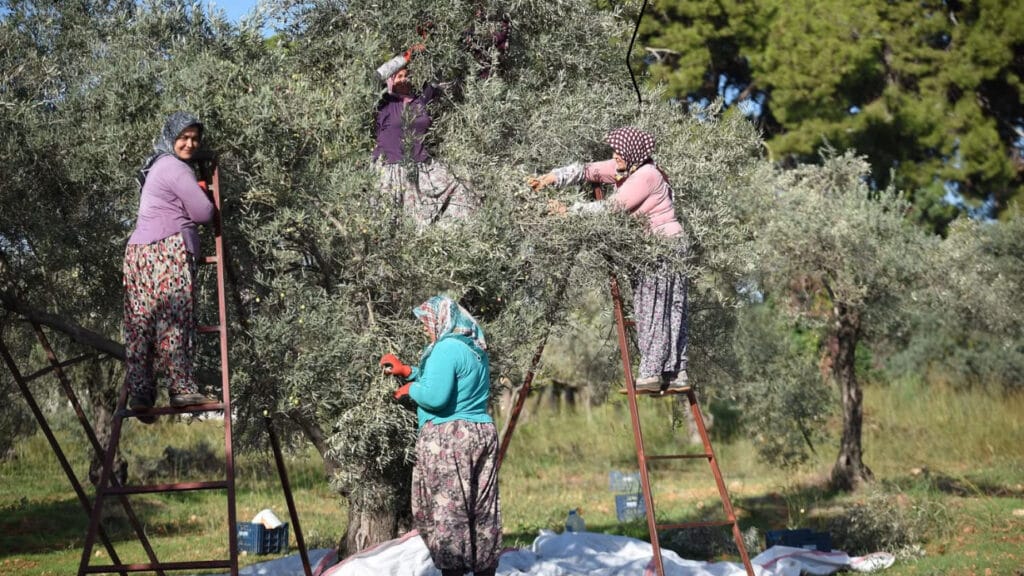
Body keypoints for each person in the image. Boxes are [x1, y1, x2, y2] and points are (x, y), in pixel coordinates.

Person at [528, 127, 689, 393]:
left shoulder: (645, 175)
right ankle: (674, 373)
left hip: (661, 248)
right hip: (665, 247)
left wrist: (567, 212)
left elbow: (610, 209)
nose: (615, 155)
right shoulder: (629, 168)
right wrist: (553, 177)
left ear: (632, 153)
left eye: (619, 151)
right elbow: (588, 170)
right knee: (668, 309)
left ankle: (652, 374)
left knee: (654, 309)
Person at [379, 296, 502, 576]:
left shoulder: (445, 348)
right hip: (480, 432)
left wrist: (409, 389)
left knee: (448, 511)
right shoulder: (474, 348)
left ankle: (453, 570)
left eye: (426, 321)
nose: (425, 328)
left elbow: (435, 396)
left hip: (450, 438)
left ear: (442, 319)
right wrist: (408, 371)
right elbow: (446, 379)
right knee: (481, 510)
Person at [124, 112, 215, 421]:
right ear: (171, 136)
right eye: (184, 137)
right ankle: (181, 388)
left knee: (141, 324)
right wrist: (206, 196)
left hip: (138, 253)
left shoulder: (156, 166)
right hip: (167, 249)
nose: (189, 143)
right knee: (174, 319)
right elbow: (203, 212)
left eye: (194, 139)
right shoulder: (175, 167)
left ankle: (141, 393)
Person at [373, 46, 476, 227]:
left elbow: (441, 71)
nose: (404, 79)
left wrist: (433, 44)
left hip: (422, 170)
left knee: (461, 187)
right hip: (389, 172)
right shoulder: (383, 104)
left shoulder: (420, 101)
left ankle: (451, 243)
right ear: (390, 81)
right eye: (399, 76)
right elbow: (373, 77)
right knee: (388, 228)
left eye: (407, 75)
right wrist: (406, 56)